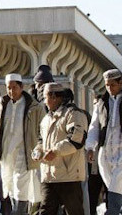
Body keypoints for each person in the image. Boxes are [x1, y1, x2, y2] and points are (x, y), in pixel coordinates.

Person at [86, 69, 122, 214]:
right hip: (106, 151)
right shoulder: (100, 103)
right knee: (117, 184)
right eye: (107, 85)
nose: (110, 88)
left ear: (120, 83)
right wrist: (90, 147)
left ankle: (111, 212)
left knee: (117, 184)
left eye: (112, 84)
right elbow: (94, 127)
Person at [0, 73, 45, 215]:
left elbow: (42, 129)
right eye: (8, 88)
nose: (11, 91)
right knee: (9, 186)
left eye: (14, 87)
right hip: (6, 153)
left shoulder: (34, 107)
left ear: (21, 87)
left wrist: (39, 148)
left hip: (25, 152)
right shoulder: (1, 106)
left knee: (20, 186)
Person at [32, 83, 88, 215]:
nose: (44, 101)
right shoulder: (46, 119)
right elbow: (41, 141)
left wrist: (55, 151)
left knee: (74, 212)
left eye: (45, 97)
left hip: (69, 176)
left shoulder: (74, 114)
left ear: (54, 97)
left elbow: (76, 140)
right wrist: (37, 151)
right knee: (45, 211)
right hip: (49, 176)